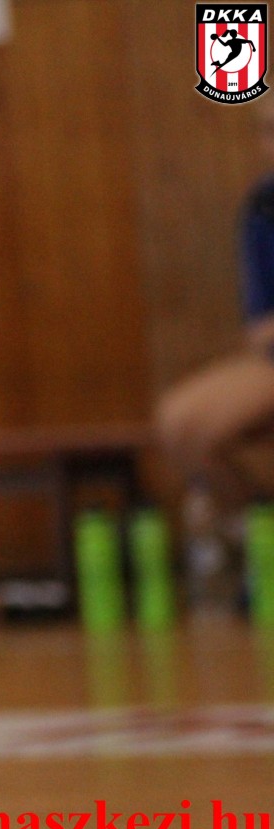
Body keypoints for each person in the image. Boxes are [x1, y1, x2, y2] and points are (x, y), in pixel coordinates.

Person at [155, 102, 274, 609]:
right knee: (181, 421)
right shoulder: (263, 207)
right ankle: (257, 530)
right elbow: (261, 325)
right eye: (267, 131)